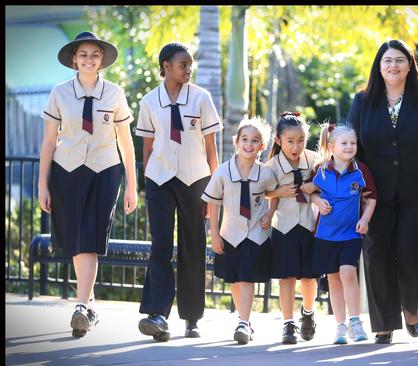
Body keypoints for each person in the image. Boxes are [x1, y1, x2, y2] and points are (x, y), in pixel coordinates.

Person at [347, 39, 418, 343]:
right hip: (373, 195)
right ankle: (384, 323)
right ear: (379, 66)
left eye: (399, 60)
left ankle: (410, 307)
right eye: (387, 60)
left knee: (411, 253)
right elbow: (353, 147)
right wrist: (356, 188)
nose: (393, 66)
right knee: (376, 255)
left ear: (409, 65)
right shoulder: (363, 101)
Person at [38, 31, 137, 337]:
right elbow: (48, 142)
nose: (89, 59)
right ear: (73, 59)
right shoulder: (59, 93)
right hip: (66, 170)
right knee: (75, 237)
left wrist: (132, 184)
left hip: (105, 170)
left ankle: (81, 306)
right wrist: (43, 184)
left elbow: (126, 142)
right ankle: (89, 303)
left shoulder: (115, 94)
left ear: (102, 60)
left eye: (95, 55)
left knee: (91, 235)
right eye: (83, 54)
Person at [135, 42, 222, 341]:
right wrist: (149, 183)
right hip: (160, 180)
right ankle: (157, 314)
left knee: (193, 246)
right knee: (160, 245)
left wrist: (213, 191)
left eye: (191, 64)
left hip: (195, 180)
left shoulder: (201, 98)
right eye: (183, 64)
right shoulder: (149, 101)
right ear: (165, 66)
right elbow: (147, 148)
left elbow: (212, 148)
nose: (189, 68)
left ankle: (192, 317)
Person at [202, 118, 277, 345]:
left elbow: (275, 194)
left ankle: (243, 322)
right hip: (230, 233)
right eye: (245, 139)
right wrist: (214, 234)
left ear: (262, 147)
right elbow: (213, 204)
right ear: (236, 142)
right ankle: (242, 319)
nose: (249, 144)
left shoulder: (265, 173)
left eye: (255, 141)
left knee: (246, 277)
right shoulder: (223, 172)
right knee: (234, 279)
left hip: (255, 234)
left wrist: (269, 214)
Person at [310, 124, 377, 345]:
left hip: (351, 234)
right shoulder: (320, 170)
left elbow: (371, 198)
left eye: (353, 143)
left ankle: (355, 320)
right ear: (331, 146)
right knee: (333, 279)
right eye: (344, 143)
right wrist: (318, 202)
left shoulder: (361, 170)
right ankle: (340, 325)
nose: (349, 147)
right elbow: (309, 193)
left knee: (348, 273)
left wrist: (365, 220)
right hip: (325, 235)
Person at [264, 112, 320, 344]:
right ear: (278, 140)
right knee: (286, 278)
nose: (296, 147)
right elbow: (263, 192)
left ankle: (308, 313)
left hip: (309, 225)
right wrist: (278, 192)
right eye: (290, 141)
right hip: (284, 226)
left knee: (308, 277)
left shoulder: (316, 160)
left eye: (301, 141)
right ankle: (288, 324)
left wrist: (313, 186)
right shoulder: (271, 166)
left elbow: (325, 186)